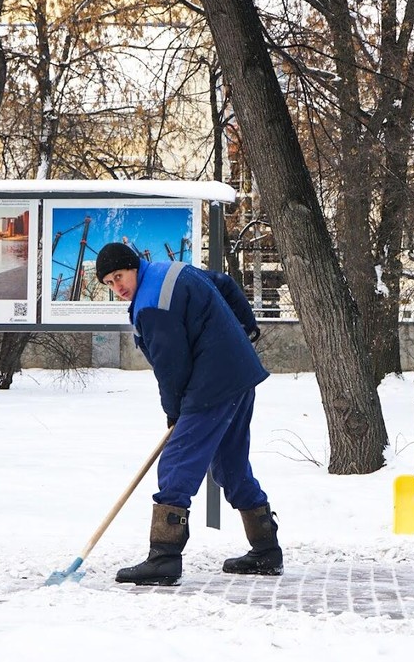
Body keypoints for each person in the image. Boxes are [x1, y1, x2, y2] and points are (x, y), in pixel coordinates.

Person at [95, 241, 281, 586]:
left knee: (178, 461)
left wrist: (174, 412)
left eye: (119, 276)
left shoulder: (151, 304)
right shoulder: (170, 270)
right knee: (230, 464)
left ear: (133, 266)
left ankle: (164, 557)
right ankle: (266, 549)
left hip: (211, 383)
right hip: (239, 374)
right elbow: (223, 282)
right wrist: (246, 328)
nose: (117, 287)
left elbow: (171, 366)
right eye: (109, 283)